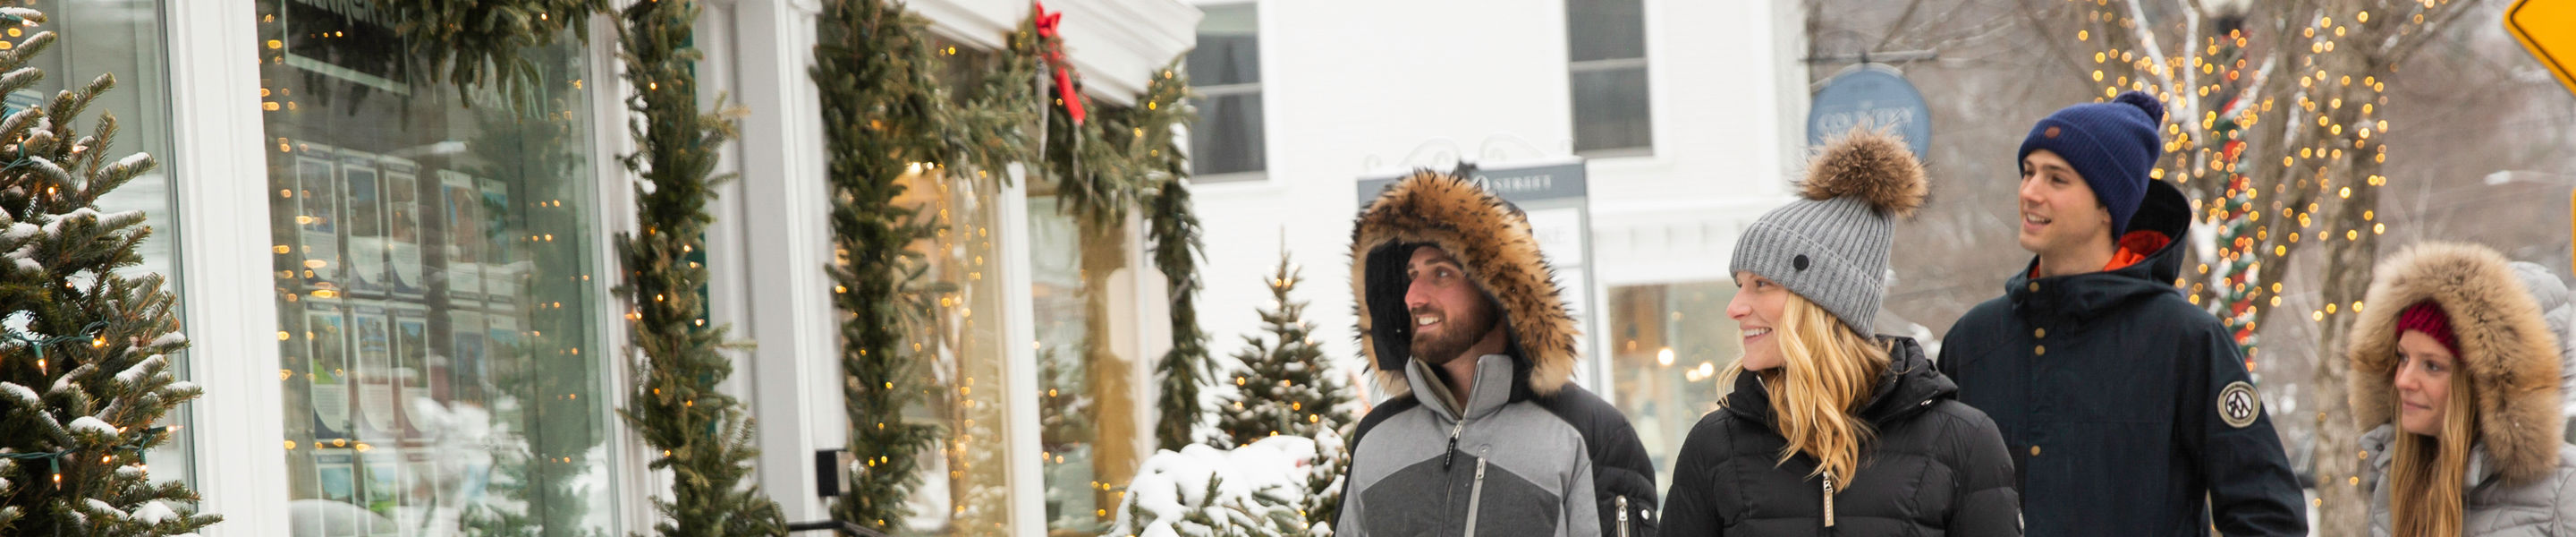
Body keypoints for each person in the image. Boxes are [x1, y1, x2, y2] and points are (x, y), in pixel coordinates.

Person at [1936, 90, 2308, 535]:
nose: (2030, 192)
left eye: (2057, 179)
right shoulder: (1974, 341)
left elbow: (2268, 514)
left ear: (2107, 207)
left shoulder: (2187, 341)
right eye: (2029, 172)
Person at [1661, 130, 2021, 535]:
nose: (1735, 308)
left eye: (1761, 284)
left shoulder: (1963, 442)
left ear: (1825, 305)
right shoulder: (1714, 447)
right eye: (1739, 285)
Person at [1337, 170, 1658, 536]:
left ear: (1501, 290)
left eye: (1441, 274)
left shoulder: (1588, 433)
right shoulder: (1377, 438)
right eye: (1411, 276)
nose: (1414, 296)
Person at [2351, 242, 2576, 536]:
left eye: (2432, 366)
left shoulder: (2565, 490)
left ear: (2485, 387)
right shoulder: (2397, 478)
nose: (2403, 380)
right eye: (2403, 358)